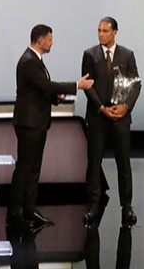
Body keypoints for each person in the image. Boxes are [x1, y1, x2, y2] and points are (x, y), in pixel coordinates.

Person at [7, 24, 94, 229]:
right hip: (29, 123)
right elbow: (45, 86)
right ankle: (14, 213)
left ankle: (30, 209)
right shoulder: (29, 61)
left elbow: (41, 90)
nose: (52, 42)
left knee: (33, 168)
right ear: (40, 40)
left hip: (37, 122)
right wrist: (76, 85)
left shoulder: (35, 61)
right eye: (50, 39)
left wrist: (56, 97)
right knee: (25, 168)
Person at [82, 16, 141, 227]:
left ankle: (127, 207)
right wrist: (101, 108)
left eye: (105, 31)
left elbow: (135, 84)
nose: (101, 34)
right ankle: (93, 206)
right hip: (98, 117)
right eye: (99, 30)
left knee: (123, 163)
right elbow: (88, 85)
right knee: (94, 163)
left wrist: (125, 106)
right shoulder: (90, 54)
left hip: (120, 117)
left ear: (115, 32)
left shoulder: (127, 55)